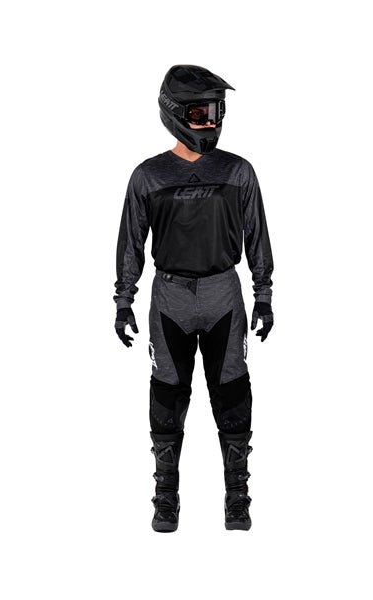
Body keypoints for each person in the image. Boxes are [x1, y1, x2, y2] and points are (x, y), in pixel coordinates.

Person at [113, 65, 274, 532]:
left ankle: (237, 499)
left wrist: (263, 294)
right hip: (170, 298)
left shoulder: (238, 171)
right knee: (167, 394)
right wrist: (123, 299)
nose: (210, 122)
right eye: (200, 113)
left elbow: (257, 234)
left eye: (216, 111)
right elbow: (131, 241)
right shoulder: (148, 176)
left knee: (232, 394)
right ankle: (165, 499)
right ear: (174, 112)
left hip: (224, 293)